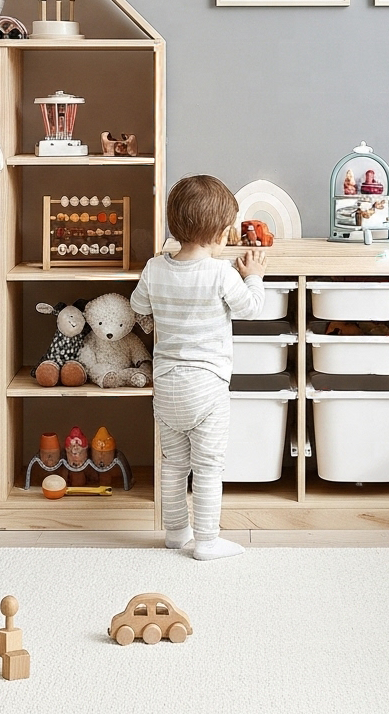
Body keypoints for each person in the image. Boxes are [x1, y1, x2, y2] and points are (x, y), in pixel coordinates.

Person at [130, 174, 267, 560]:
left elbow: (139, 307)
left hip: (167, 386)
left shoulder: (155, 268)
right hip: (206, 387)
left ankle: (176, 533)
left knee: (173, 465)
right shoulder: (222, 274)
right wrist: (253, 276)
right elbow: (252, 309)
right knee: (207, 466)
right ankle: (207, 540)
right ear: (223, 235)